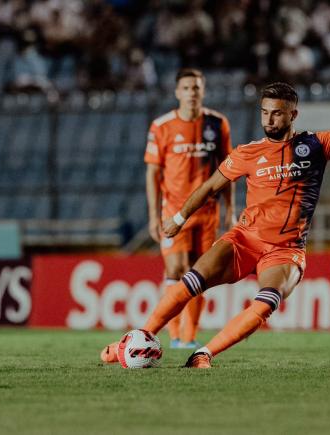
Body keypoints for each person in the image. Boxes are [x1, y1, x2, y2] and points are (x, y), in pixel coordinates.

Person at [103, 75, 330, 368]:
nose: (269, 119)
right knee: (190, 280)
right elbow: (210, 186)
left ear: (292, 114)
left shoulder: (316, 145)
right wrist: (179, 218)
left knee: (265, 303)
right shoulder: (248, 152)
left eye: (276, 112)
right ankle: (138, 337)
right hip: (244, 240)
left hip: (285, 250)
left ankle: (202, 354)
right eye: (264, 112)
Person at [101, 68, 234, 361]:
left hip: (208, 211)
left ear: (203, 90)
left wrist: (230, 210)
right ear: (177, 92)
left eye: (196, 87)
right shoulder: (161, 126)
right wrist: (152, 215)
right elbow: (153, 173)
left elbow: (228, 169)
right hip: (174, 212)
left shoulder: (217, 123)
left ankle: (188, 337)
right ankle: (174, 335)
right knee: (175, 269)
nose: (192, 93)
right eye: (186, 88)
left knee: (201, 273)